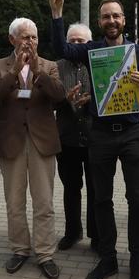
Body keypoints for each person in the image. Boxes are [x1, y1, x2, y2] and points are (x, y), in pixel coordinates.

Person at [49, 0, 139, 279]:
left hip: (133, 134)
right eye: (106, 16)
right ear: (99, 21)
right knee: (102, 199)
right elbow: (61, 48)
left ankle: (137, 258)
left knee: (137, 200)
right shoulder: (91, 50)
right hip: (101, 135)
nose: (111, 20)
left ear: (124, 20)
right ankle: (108, 258)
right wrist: (57, 14)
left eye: (116, 16)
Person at [0, 17, 65, 279]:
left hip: (42, 141)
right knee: (14, 202)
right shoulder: (0, 66)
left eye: (34, 37)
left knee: (44, 202)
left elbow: (59, 95)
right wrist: (13, 72)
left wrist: (37, 70)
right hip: (12, 142)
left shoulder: (50, 66)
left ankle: (45, 254)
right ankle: (20, 249)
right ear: (12, 40)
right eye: (25, 37)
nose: (30, 41)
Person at [55, 23, 98, 251]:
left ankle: (96, 235)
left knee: (95, 189)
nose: (76, 44)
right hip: (66, 137)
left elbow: (109, 93)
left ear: (89, 43)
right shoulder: (57, 66)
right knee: (71, 188)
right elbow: (48, 100)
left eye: (81, 41)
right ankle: (72, 232)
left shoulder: (98, 63)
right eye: (72, 40)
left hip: (94, 138)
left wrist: (92, 98)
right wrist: (64, 98)